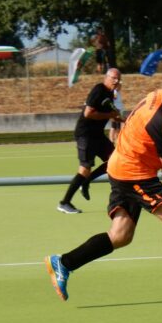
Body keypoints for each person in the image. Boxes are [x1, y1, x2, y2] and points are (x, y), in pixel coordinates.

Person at [45, 67, 162, 304]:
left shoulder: (157, 95)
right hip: (134, 174)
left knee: (120, 235)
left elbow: (148, 143)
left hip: (122, 167)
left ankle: (63, 263)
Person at [57, 68, 124, 214]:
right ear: (106, 77)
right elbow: (88, 113)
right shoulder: (98, 90)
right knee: (84, 169)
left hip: (98, 135)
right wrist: (109, 114)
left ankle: (87, 181)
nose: (116, 81)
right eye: (114, 78)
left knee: (115, 160)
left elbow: (113, 115)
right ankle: (64, 203)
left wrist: (125, 120)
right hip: (85, 135)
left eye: (118, 79)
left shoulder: (111, 94)